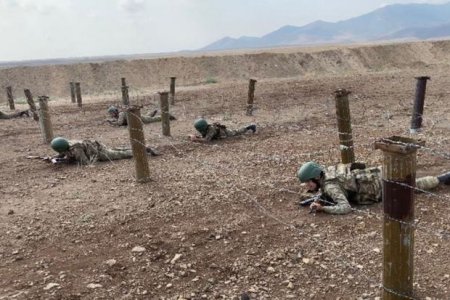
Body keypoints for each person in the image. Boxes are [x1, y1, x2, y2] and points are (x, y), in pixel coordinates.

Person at [297, 161, 450, 215]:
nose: (307, 186)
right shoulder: (329, 171)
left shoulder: (330, 186)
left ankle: (444, 178)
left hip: (382, 188)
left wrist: (324, 209)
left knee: (415, 186)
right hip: (377, 174)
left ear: (316, 177)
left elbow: (345, 208)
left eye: (308, 182)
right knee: (411, 181)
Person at [48, 137, 158, 165]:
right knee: (117, 150)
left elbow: (86, 162)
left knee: (121, 154)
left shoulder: (75, 148)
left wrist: (67, 161)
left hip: (100, 154)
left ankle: (143, 151)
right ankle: (142, 148)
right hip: (98, 147)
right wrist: (54, 158)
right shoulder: (67, 144)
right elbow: (62, 153)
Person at [189, 118, 256, 143]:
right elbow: (204, 136)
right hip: (221, 132)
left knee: (237, 132)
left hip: (226, 134)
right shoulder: (206, 128)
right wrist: (194, 136)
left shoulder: (211, 129)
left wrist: (196, 139)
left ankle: (249, 127)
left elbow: (207, 140)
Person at [107, 106, 176, 126]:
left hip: (138, 119)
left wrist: (112, 123)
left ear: (115, 112)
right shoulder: (120, 114)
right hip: (137, 117)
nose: (111, 115)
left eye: (111, 113)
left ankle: (167, 116)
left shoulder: (121, 114)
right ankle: (151, 113)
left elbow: (120, 123)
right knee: (147, 117)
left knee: (152, 119)